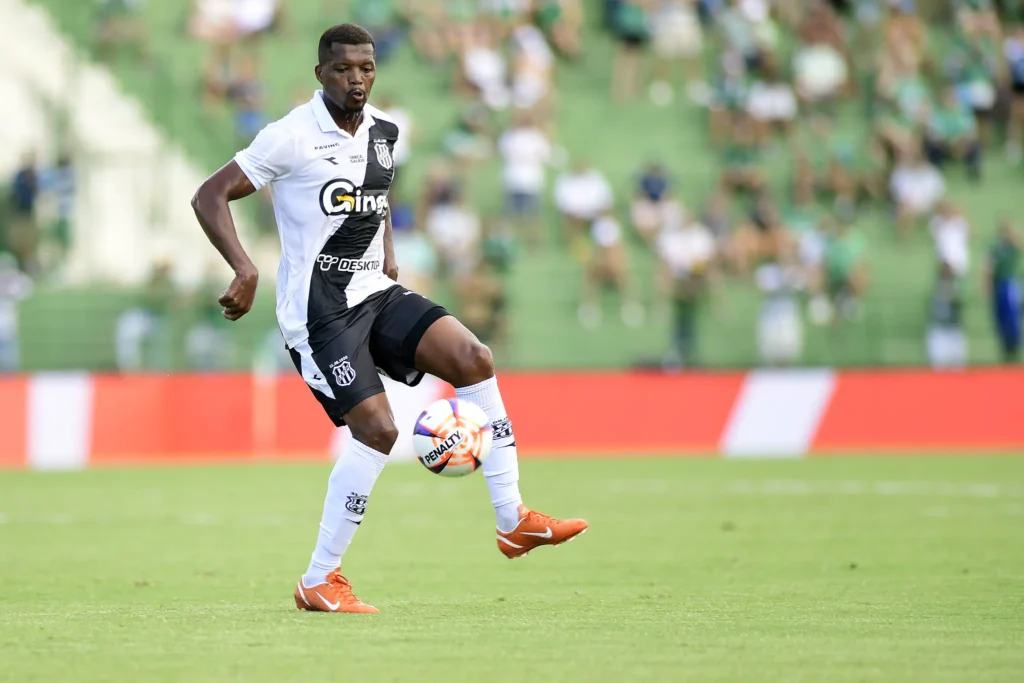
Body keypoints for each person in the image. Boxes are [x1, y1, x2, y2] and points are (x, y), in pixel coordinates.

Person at [190, 24, 587, 615]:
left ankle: (513, 520)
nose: (357, 79)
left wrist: (390, 257)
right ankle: (319, 579)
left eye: (367, 68)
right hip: (319, 314)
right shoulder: (290, 137)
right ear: (321, 73)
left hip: (375, 291)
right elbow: (209, 195)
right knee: (377, 431)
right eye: (344, 69)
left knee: (474, 358)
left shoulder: (384, 131)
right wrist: (245, 268)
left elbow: (376, 199)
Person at [985, 221, 1022, 362]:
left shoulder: (1012, 248)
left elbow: (1019, 242)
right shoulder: (996, 249)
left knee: (1012, 315)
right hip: (998, 284)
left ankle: (1014, 344)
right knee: (1000, 318)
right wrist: (987, 286)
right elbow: (988, 268)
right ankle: (1006, 346)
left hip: (1009, 283)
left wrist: (1012, 233)